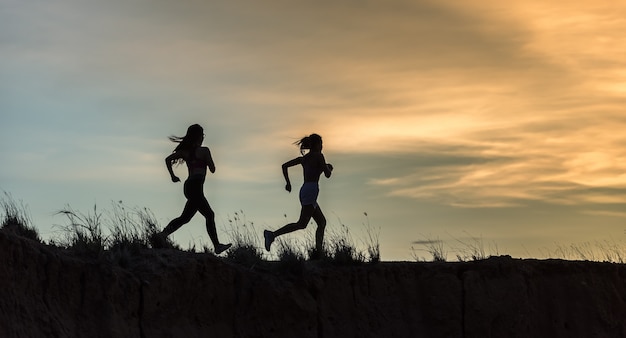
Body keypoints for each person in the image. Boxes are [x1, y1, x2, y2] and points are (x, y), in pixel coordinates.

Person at [157, 124, 231, 254]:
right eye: (202, 135)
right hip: (196, 187)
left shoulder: (185, 152)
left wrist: (173, 176)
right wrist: (208, 163)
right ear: (198, 136)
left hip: (189, 187)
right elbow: (213, 169)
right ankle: (217, 246)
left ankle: (161, 236)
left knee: (185, 218)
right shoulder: (204, 151)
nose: (203, 137)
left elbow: (168, 159)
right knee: (209, 214)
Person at [264, 133, 333, 257]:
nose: (322, 146)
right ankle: (272, 235)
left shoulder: (304, 159)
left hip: (305, 190)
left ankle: (319, 253)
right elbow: (327, 174)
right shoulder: (319, 156)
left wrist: (288, 183)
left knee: (322, 222)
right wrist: (328, 168)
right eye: (321, 144)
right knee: (301, 224)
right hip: (311, 190)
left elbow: (284, 166)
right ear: (317, 144)